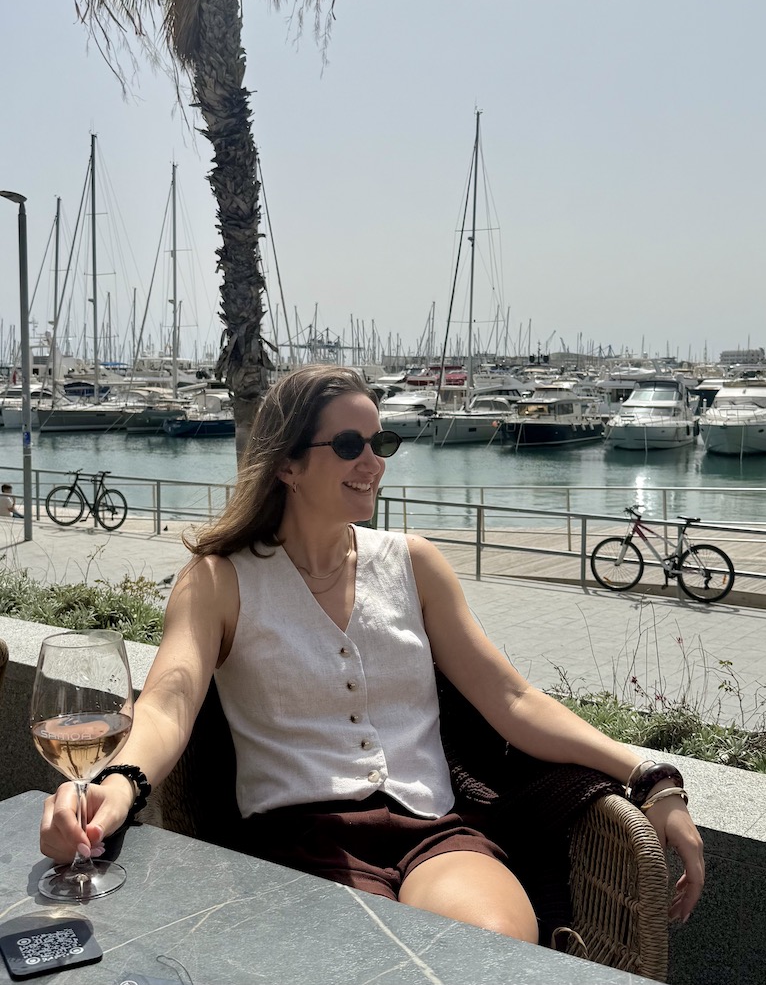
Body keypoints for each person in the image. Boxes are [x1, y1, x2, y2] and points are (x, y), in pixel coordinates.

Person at [40, 365, 704, 941]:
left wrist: (649, 774)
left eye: (380, 442)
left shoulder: (415, 564)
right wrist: (118, 784)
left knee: (495, 949)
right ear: (287, 464)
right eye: (350, 445)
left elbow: (512, 698)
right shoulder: (219, 579)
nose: (374, 461)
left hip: (433, 830)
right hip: (297, 840)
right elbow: (168, 701)